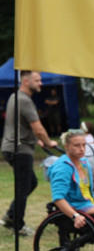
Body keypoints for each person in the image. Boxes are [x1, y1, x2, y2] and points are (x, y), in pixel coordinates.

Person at [2, 71, 58, 235]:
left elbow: (22, 125)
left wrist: (37, 140)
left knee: (30, 183)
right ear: (25, 81)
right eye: (37, 80)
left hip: (12, 147)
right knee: (23, 187)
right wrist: (48, 142)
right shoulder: (25, 101)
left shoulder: (15, 96)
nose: (41, 83)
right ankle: (17, 225)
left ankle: (12, 215)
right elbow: (37, 127)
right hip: (20, 149)